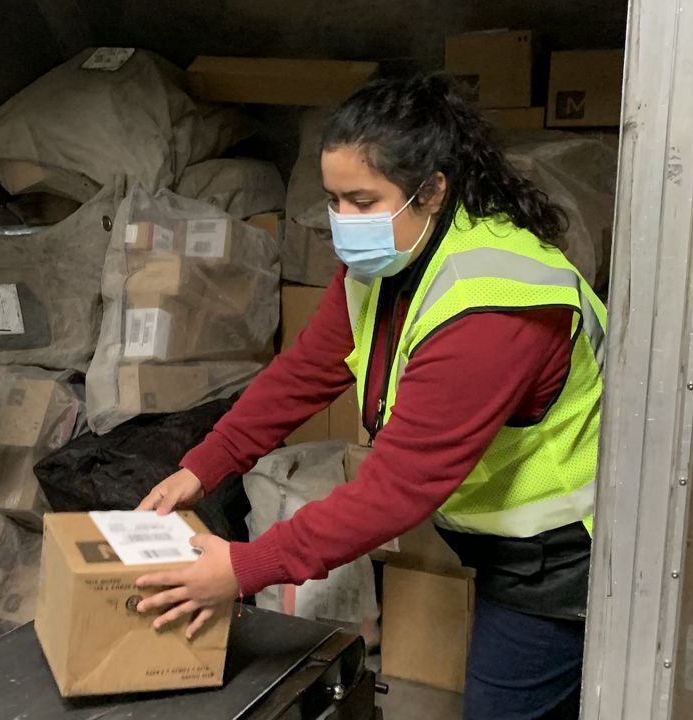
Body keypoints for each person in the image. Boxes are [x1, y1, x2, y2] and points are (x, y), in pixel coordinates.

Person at [131, 73, 605, 720]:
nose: (343, 224)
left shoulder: (492, 310)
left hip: (564, 553)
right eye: (332, 201)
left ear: (433, 189)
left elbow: (396, 491)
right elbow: (304, 374)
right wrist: (203, 466)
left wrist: (242, 569)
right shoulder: (387, 264)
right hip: (510, 537)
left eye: (362, 200)